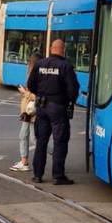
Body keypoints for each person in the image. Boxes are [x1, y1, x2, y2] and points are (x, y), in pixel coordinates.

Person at [28, 39, 80, 185]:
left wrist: (40, 94)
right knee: (60, 141)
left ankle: (37, 174)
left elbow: (30, 84)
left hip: (42, 107)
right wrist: (69, 101)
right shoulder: (66, 66)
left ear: (51, 48)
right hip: (58, 107)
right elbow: (73, 89)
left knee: (41, 142)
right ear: (63, 50)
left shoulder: (40, 64)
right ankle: (58, 176)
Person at [11, 52, 41, 172]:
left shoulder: (38, 77)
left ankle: (55, 153)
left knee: (36, 139)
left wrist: (24, 92)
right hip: (27, 112)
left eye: (29, 62)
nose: (27, 65)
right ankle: (24, 162)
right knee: (23, 136)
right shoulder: (33, 75)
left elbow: (37, 96)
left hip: (32, 112)